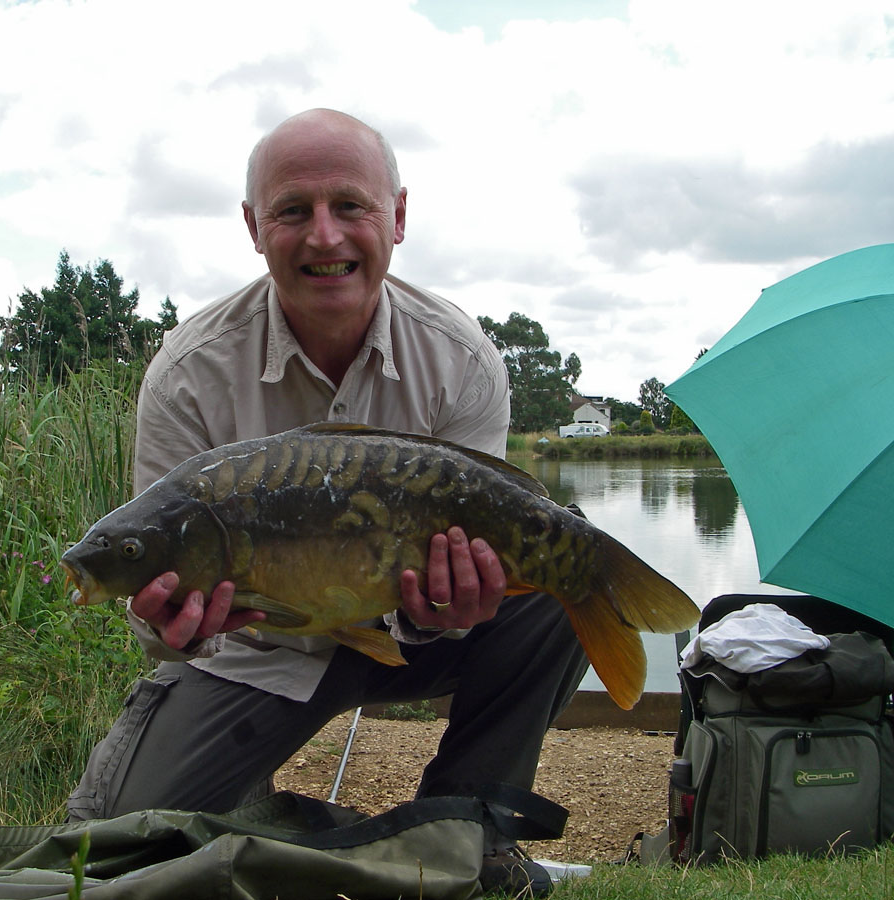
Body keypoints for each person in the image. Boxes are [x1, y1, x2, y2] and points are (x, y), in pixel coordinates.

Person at [68, 108, 589, 896]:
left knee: (562, 569)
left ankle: (467, 828)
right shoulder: (188, 372)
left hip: (414, 628)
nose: (324, 237)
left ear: (398, 217)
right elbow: (153, 572)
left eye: (350, 205)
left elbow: (492, 522)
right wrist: (165, 625)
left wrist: (453, 602)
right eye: (292, 211)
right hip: (258, 652)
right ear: (253, 226)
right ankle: (266, 821)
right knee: (115, 847)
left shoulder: (460, 358)